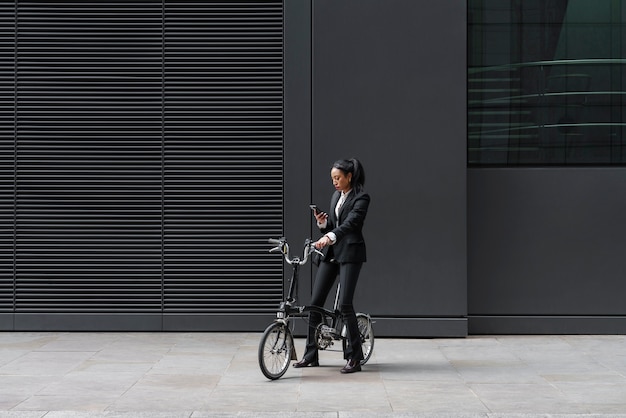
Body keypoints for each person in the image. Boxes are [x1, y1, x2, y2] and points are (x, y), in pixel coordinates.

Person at [293, 158, 370, 374]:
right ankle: (310, 355)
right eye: (332, 179)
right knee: (315, 304)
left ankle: (355, 357)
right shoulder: (337, 196)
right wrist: (323, 224)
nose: (334, 182)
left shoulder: (362, 197)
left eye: (338, 178)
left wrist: (331, 234)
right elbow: (335, 226)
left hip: (351, 254)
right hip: (333, 253)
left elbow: (351, 224)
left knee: (345, 304)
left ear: (349, 177)